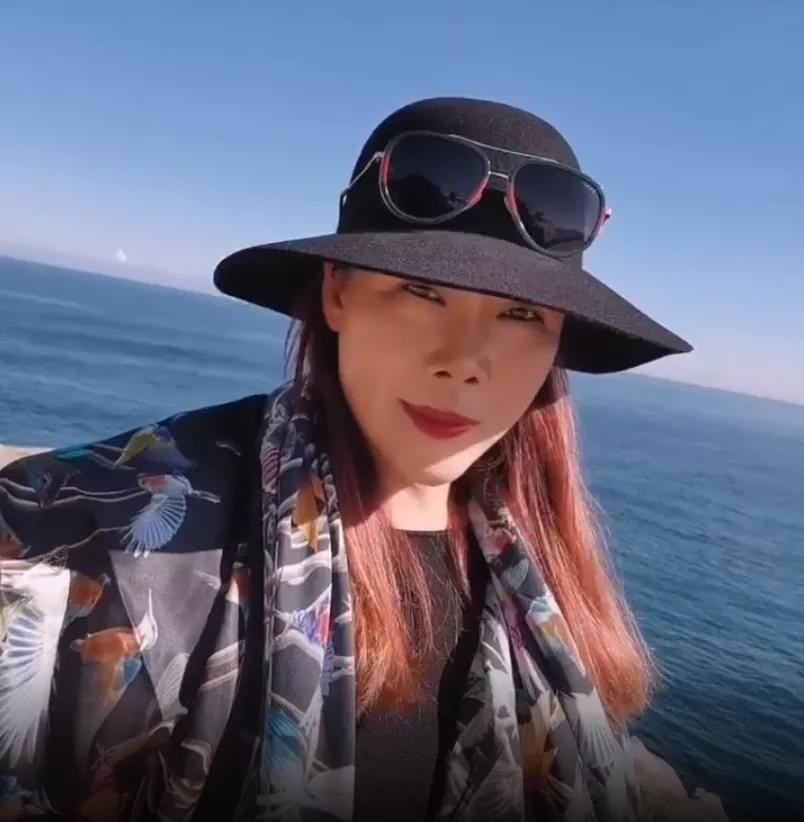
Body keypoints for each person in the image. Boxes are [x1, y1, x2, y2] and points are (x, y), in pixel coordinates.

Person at [0, 96, 715, 822]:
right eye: (421, 292)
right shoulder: (83, 532)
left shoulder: (535, 563)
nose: (464, 361)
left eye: (520, 314)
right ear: (337, 293)